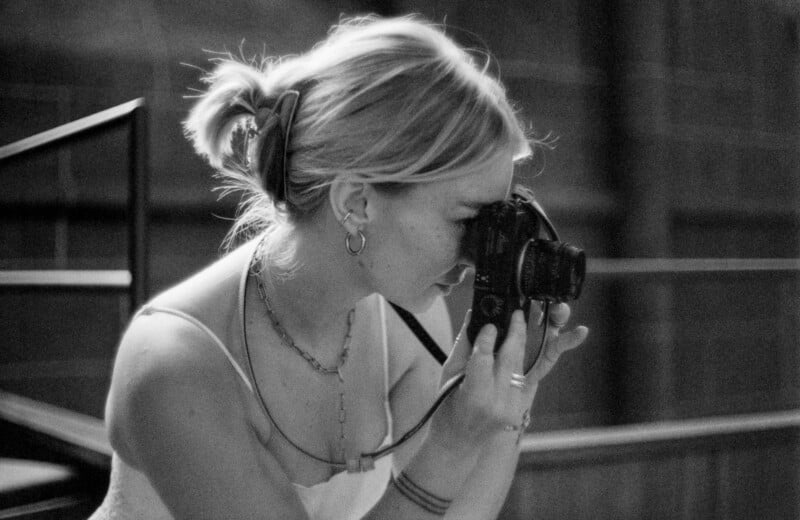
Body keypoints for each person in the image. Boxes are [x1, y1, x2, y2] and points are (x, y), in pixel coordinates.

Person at [89, 14, 588, 520]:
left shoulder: (404, 317)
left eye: (497, 221)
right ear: (355, 202)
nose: (480, 253)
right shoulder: (175, 365)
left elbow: (460, 516)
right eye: (468, 220)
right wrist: (450, 444)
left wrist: (507, 400)